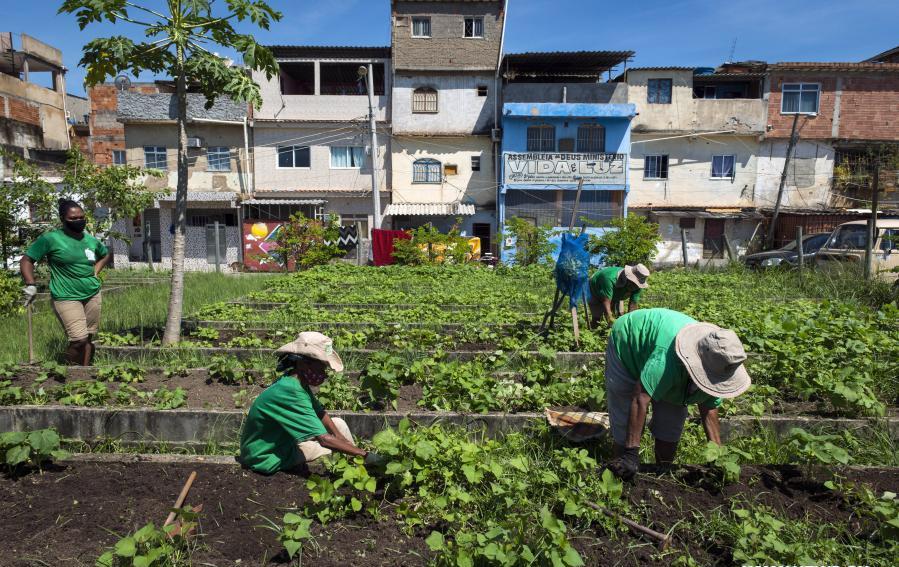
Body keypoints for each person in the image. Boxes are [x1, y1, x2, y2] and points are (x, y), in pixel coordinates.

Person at [603, 308, 751, 480]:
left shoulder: (719, 361)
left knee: (671, 423)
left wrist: (718, 458)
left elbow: (709, 408)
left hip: (664, 355)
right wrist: (631, 453)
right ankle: (619, 472)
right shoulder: (666, 359)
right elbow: (639, 399)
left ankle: (663, 472)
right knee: (625, 412)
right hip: (629, 342)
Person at [239, 331, 385, 475]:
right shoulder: (291, 391)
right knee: (330, 448)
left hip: (279, 443)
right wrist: (366, 455)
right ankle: (355, 469)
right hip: (264, 456)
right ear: (302, 363)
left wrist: (340, 437)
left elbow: (319, 412)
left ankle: (353, 466)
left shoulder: (294, 381)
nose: (324, 372)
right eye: (321, 366)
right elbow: (323, 440)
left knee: (339, 425)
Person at [20, 199, 110, 366]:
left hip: (92, 294)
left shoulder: (90, 240)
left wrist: (95, 271)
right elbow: (27, 260)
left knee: (88, 338)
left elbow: (105, 254)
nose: (79, 221)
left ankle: (85, 374)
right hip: (65, 295)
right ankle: (69, 374)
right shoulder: (51, 239)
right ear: (62, 219)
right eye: (73, 218)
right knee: (78, 340)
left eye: (81, 217)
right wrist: (30, 284)